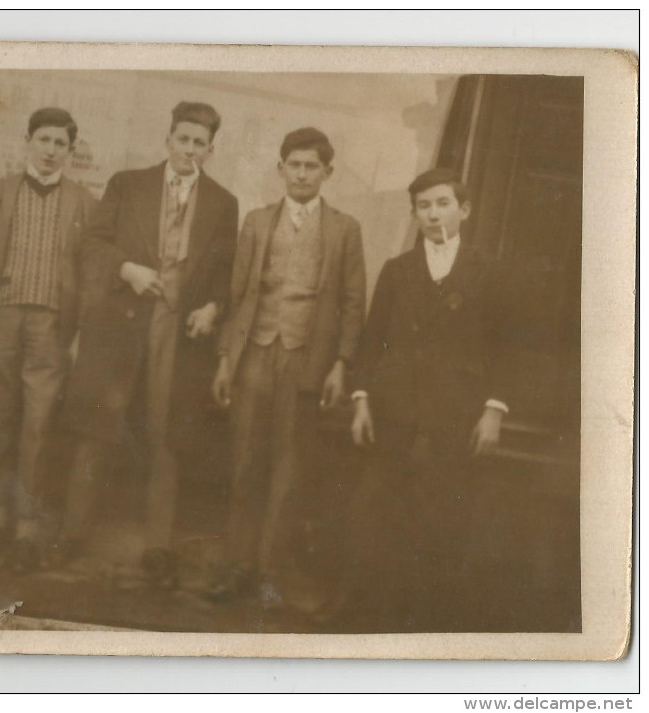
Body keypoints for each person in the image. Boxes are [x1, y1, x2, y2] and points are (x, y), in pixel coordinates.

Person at [57, 101, 239, 584]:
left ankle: (158, 546)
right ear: (168, 140)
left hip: (180, 337)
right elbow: (92, 245)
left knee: (166, 439)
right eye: (183, 139)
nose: (190, 149)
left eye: (200, 143)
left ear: (211, 149)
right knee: (98, 432)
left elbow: (225, 275)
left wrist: (212, 308)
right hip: (121, 324)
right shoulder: (127, 184)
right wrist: (128, 269)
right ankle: (71, 536)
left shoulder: (223, 203)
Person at [208, 127, 367, 602]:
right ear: (280, 169)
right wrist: (223, 360)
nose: (301, 174)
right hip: (255, 353)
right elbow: (236, 296)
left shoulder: (345, 228)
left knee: (288, 469)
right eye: (293, 165)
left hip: (307, 359)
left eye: (311, 166)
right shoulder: (257, 222)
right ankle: (236, 566)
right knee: (245, 462)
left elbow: (354, 303)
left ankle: (268, 573)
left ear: (327, 173)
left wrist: (341, 364)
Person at [346, 167, 508, 631]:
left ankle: (427, 630)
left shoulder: (489, 272)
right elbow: (372, 342)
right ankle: (374, 625)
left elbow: (507, 347)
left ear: (464, 210)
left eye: (442, 203)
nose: (433, 214)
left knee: (441, 522)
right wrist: (361, 401)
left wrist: (494, 410)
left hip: (455, 419)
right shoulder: (398, 271)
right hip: (395, 415)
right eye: (423, 206)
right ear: (414, 215)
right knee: (381, 518)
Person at [0, 107, 96, 570]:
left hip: (52, 325)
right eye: (43, 139)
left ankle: (25, 530)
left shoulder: (82, 201)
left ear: (70, 151)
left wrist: (77, 331)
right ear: (28, 140)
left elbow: (88, 268)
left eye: (60, 143)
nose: (50, 149)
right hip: (1, 317)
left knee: (37, 427)